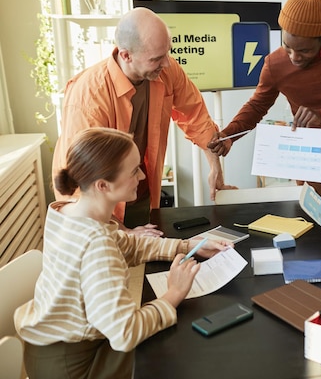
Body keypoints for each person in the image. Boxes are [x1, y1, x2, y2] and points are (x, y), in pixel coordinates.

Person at [15, 128, 231, 379]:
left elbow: (127, 244)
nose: (141, 176)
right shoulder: (95, 243)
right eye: (133, 171)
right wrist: (174, 293)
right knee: (176, 354)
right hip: (72, 366)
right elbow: (124, 333)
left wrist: (185, 245)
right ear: (103, 185)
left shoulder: (67, 213)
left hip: (47, 346)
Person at [52, 7, 235, 234]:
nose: (167, 63)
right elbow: (83, 185)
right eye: (157, 58)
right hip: (96, 213)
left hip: (141, 194)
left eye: (167, 53)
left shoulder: (166, 70)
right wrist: (124, 232)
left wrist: (215, 167)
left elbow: (195, 116)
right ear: (126, 55)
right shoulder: (89, 97)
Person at [208, 0, 321, 199]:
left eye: (305, 51)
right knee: (313, 228)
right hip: (307, 166)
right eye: (287, 47)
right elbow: (256, 107)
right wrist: (228, 135)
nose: (294, 57)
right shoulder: (274, 64)